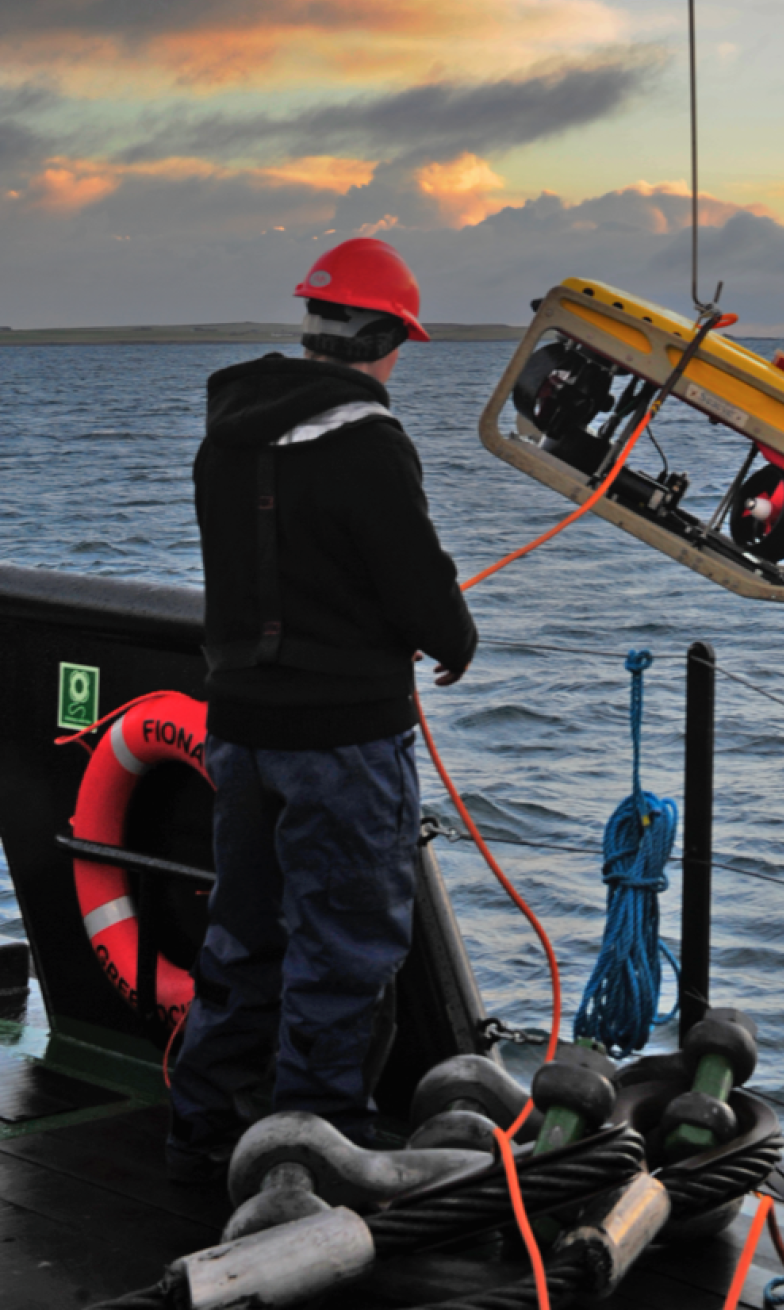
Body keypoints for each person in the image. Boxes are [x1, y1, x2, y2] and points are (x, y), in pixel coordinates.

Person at [167, 237, 479, 1181]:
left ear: (313, 327)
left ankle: (206, 1125)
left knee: (242, 933)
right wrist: (453, 640)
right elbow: (420, 591)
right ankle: (313, 1147)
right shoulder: (370, 441)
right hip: (343, 739)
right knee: (344, 944)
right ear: (385, 337)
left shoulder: (225, 432)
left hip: (241, 732)